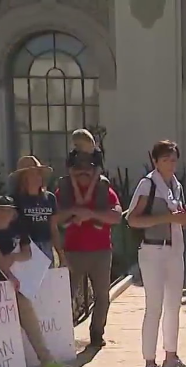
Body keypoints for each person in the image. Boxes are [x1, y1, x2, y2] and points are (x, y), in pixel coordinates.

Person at [126, 140, 186, 367]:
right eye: (166, 159)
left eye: (173, 159)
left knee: (173, 307)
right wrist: (168, 217)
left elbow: (176, 218)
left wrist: (185, 220)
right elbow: (132, 219)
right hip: (152, 250)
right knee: (154, 307)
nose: (171, 164)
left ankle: (171, 358)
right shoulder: (148, 184)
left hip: (174, 250)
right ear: (156, 161)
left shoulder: (175, 186)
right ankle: (149, 364)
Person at [55, 130, 120, 349]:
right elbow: (55, 218)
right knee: (66, 296)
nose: (83, 172)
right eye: (79, 168)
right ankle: (63, 336)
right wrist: (75, 210)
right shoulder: (63, 189)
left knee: (102, 295)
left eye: (88, 168)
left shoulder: (104, 189)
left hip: (101, 251)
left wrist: (90, 214)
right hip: (72, 252)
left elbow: (116, 215)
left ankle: (96, 334)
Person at [0, 196, 58, 367]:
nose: (6, 213)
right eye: (1, 209)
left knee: (29, 317)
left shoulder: (18, 229)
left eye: (9, 210)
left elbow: (27, 254)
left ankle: (47, 360)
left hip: (15, 284)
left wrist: (12, 257)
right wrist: (7, 267)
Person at [10, 156, 58, 262]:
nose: (37, 177)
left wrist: (61, 255)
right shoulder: (15, 200)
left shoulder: (50, 198)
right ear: (23, 178)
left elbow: (53, 228)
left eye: (39, 173)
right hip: (26, 249)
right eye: (32, 174)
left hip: (46, 246)